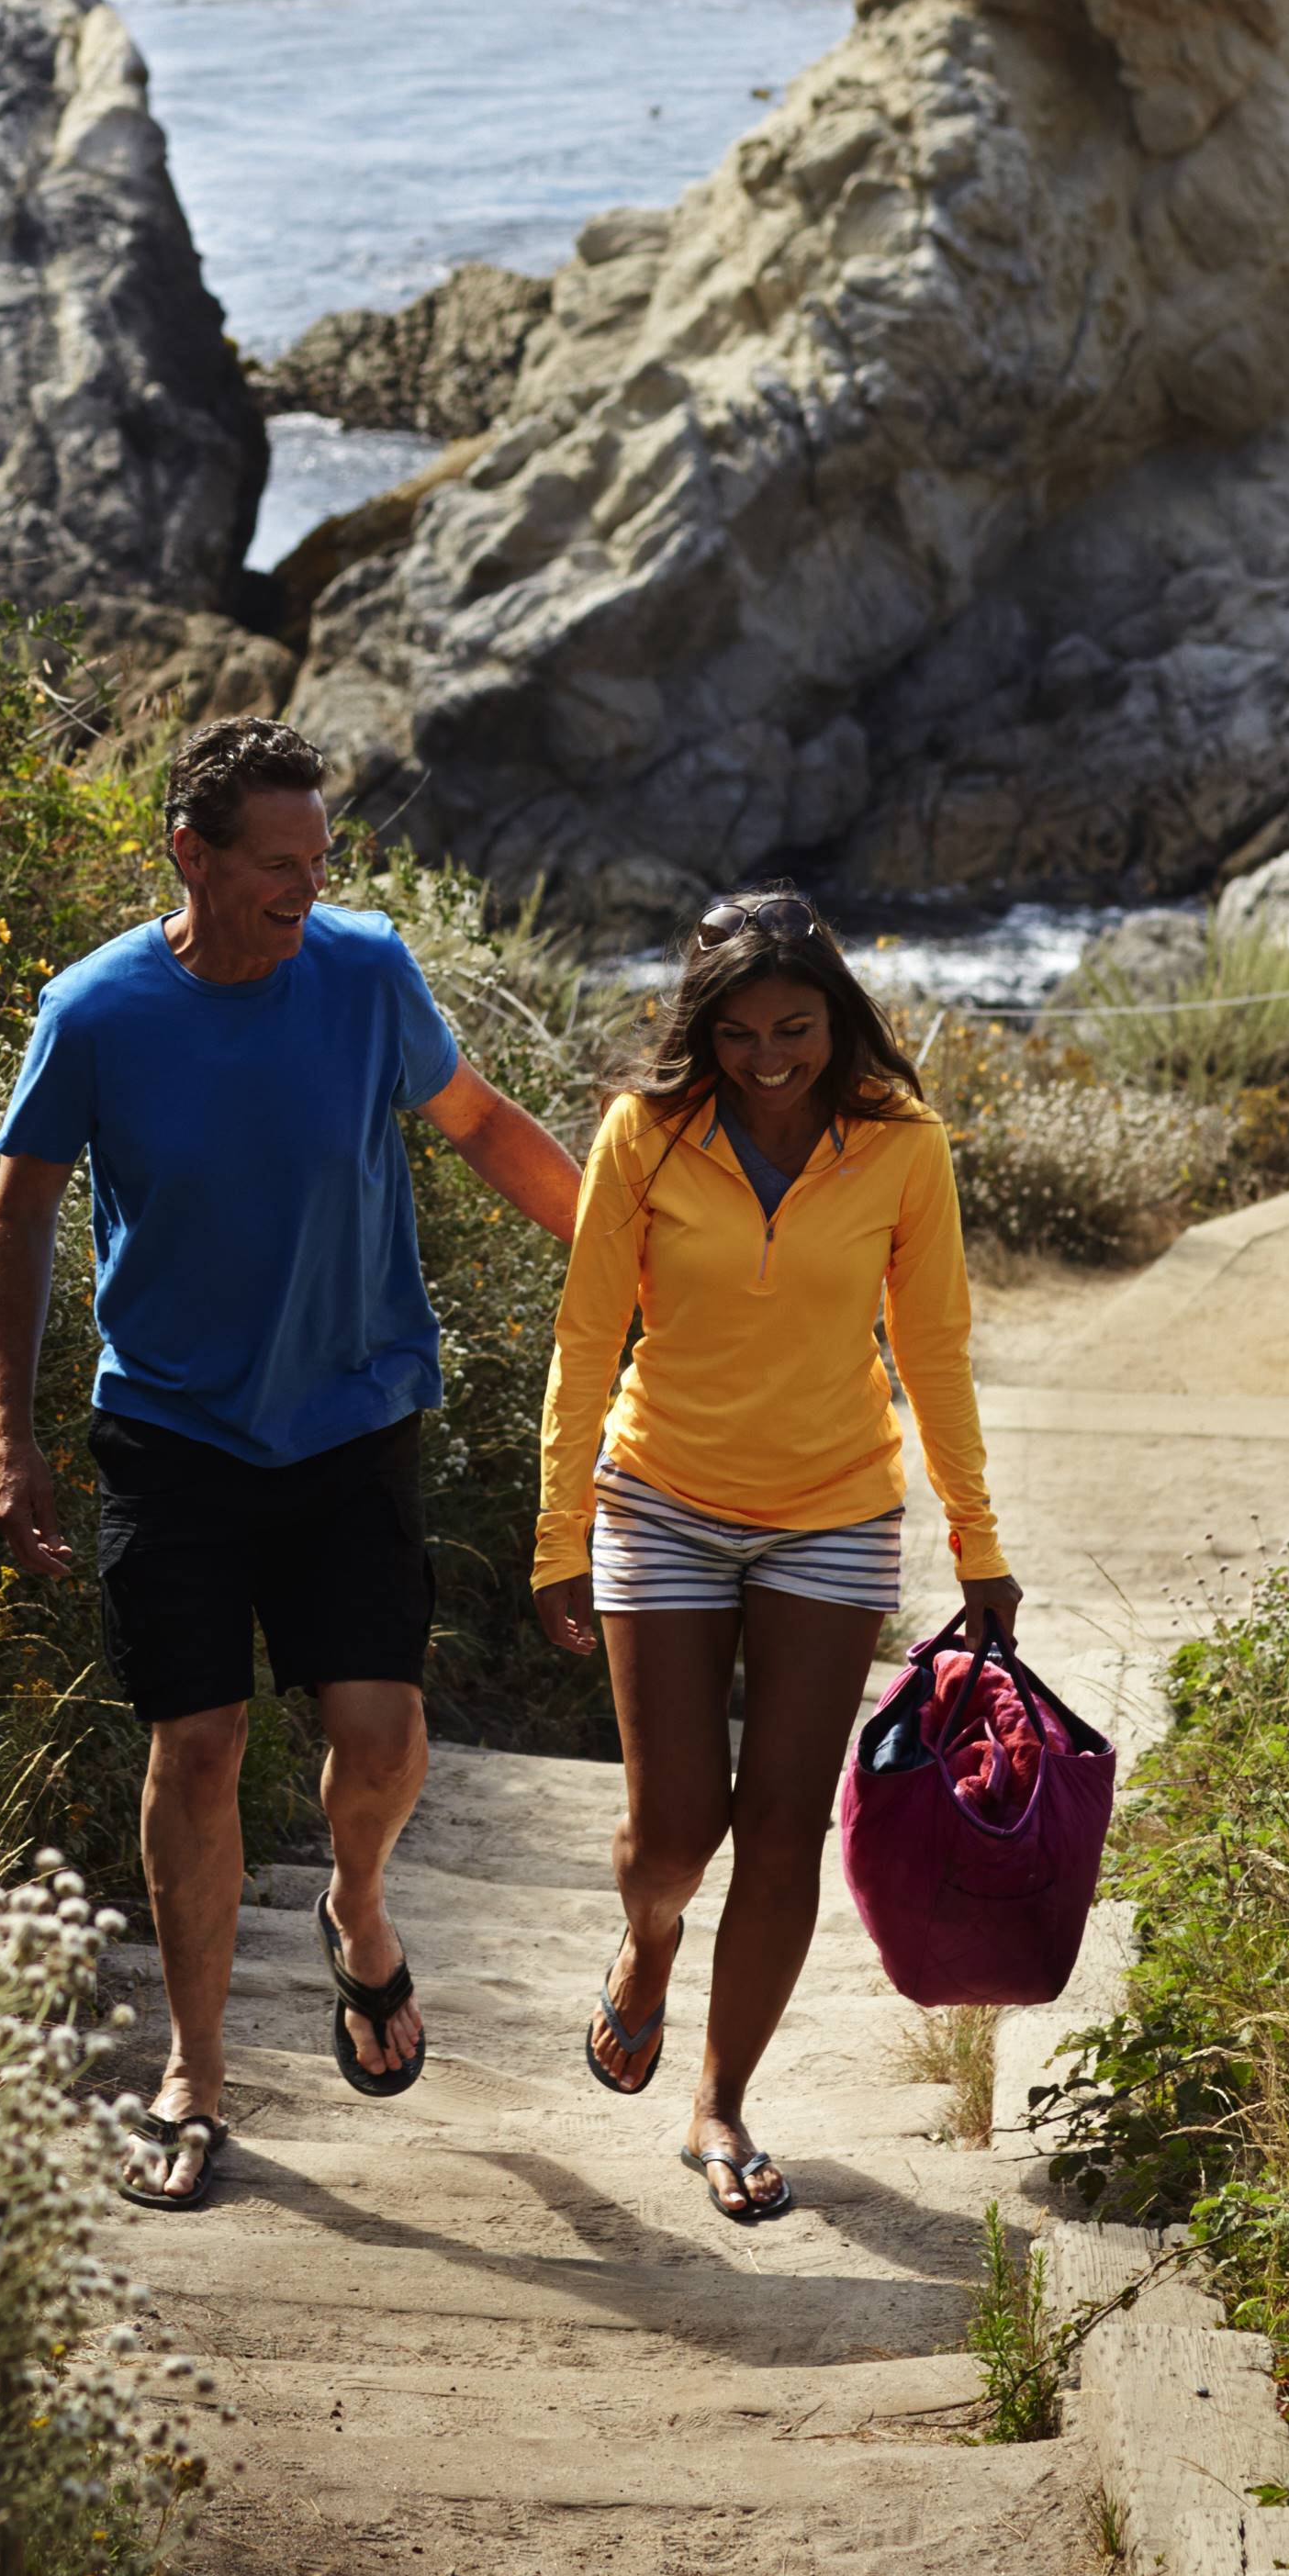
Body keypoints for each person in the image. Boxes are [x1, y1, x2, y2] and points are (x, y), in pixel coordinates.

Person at [0, 718, 582, 2211]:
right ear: (190, 853)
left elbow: (484, 1127)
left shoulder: (367, 973)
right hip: (171, 1436)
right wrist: (14, 1432)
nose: (303, 890)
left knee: (381, 1744)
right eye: (277, 865)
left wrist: (635, 1265)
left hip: (352, 1420)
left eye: (320, 862)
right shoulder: (97, 1010)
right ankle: (195, 2074)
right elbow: (23, 1214)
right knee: (196, 1749)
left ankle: (356, 1909)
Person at [532, 886, 1017, 2227]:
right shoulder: (646, 1130)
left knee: (785, 1828)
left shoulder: (901, 1144)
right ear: (705, 1027)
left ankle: (722, 2099)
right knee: (677, 1828)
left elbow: (931, 1350)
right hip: (663, 1497)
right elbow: (586, 1338)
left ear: (839, 1019)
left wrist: (980, 1542)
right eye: (739, 1033)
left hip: (834, 1510)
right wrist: (556, 1526)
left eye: (795, 1029)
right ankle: (647, 1944)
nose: (766, 1058)